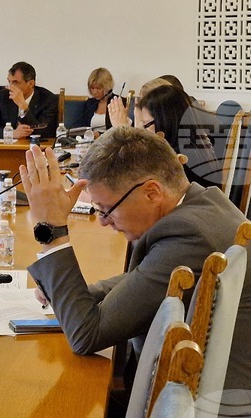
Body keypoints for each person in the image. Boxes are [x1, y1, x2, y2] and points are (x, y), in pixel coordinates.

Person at [19, 127, 250, 401]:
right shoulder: (203, 203)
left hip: (208, 402)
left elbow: (86, 335)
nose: (103, 221)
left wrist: (52, 231)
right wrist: (69, 295)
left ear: (152, 192)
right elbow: (146, 275)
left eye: (107, 209)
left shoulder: (190, 236)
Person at [137, 85, 220, 189]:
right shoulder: (196, 142)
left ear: (165, 122)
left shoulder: (178, 157)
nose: (144, 131)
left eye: (146, 125)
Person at [0, 61, 59, 139]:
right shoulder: (3, 96)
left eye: (15, 82)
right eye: (9, 81)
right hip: (9, 145)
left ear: (31, 84)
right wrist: (11, 133)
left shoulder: (48, 99)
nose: (11, 86)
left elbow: (46, 133)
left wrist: (24, 107)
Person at [73, 68, 125, 132]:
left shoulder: (118, 102)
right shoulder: (89, 103)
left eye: (98, 88)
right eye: (92, 88)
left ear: (107, 87)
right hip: (90, 137)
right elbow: (82, 127)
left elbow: (120, 130)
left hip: (110, 138)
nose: (95, 92)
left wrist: (100, 134)